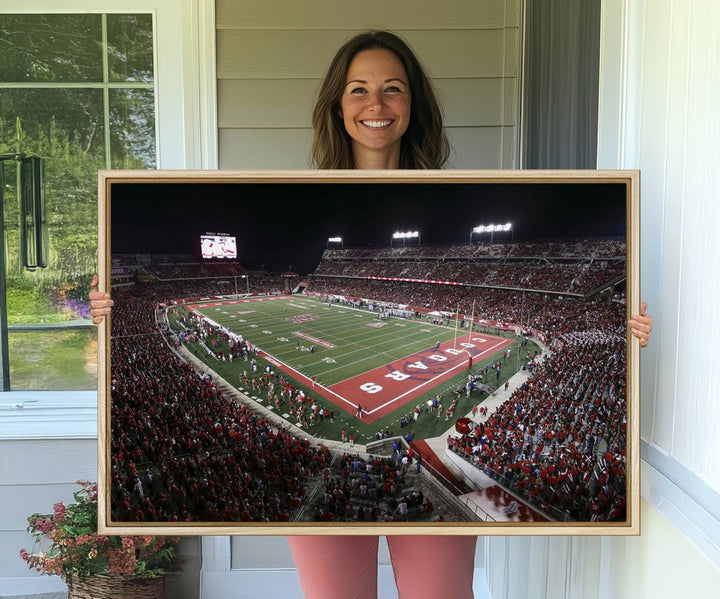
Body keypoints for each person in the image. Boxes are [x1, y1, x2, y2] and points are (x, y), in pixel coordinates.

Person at [89, 30, 653, 599]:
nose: (376, 105)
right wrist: (106, 311)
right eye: (358, 90)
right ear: (338, 104)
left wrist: (623, 334)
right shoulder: (305, 186)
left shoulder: (454, 189)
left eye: (393, 89)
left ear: (414, 104)